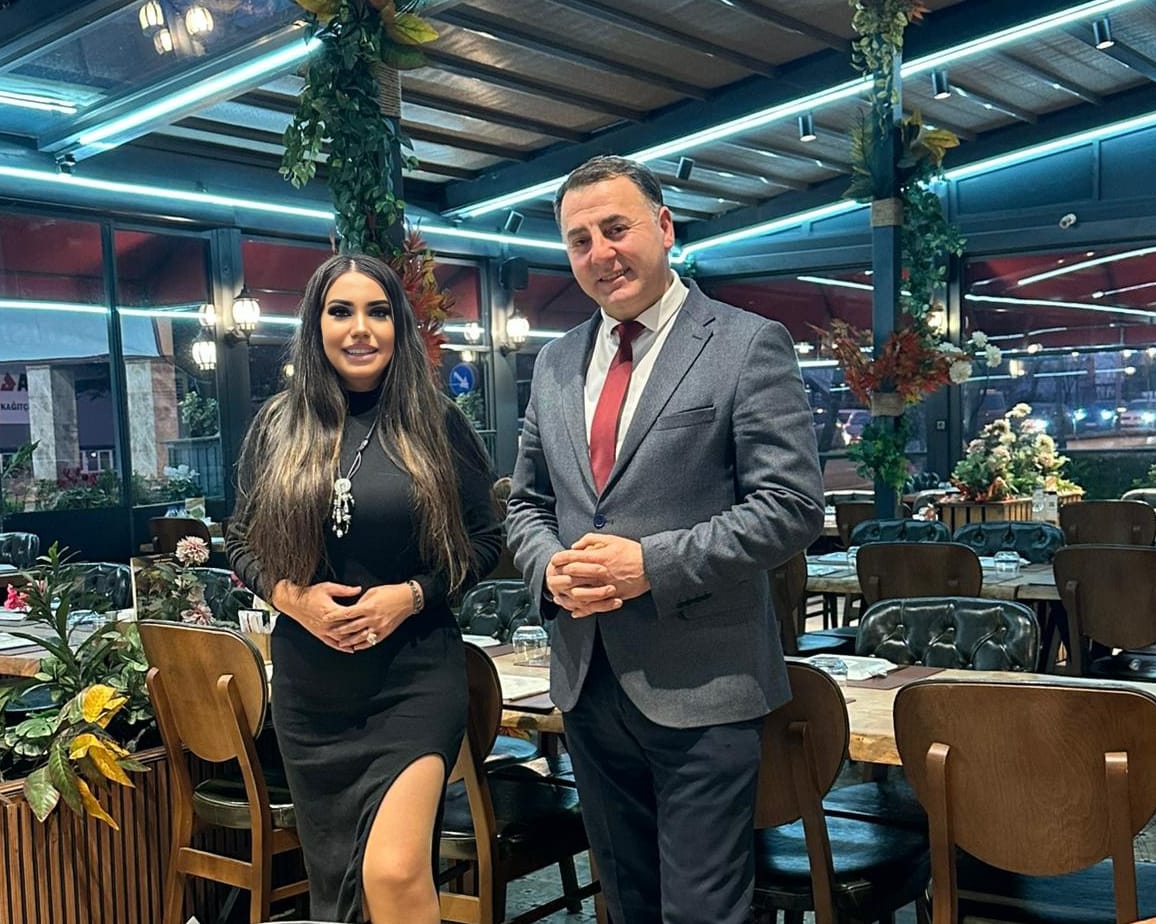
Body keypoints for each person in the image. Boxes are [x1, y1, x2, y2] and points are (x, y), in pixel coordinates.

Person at [505, 156, 825, 924]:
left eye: (615, 229)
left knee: (701, 912)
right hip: (586, 683)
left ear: (664, 227)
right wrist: (549, 569)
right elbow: (526, 504)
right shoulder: (555, 363)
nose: (600, 253)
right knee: (625, 904)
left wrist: (652, 563)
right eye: (579, 240)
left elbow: (791, 506)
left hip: (704, 686)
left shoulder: (747, 343)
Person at [227, 253, 501, 924]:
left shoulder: (437, 422)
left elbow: (486, 540)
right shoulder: (278, 426)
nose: (360, 328)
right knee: (343, 895)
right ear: (315, 325)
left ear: (398, 325)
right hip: (313, 692)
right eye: (340, 311)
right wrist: (292, 599)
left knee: (395, 873)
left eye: (378, 312)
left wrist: (412, 595)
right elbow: (240, 538)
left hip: (415, 680)